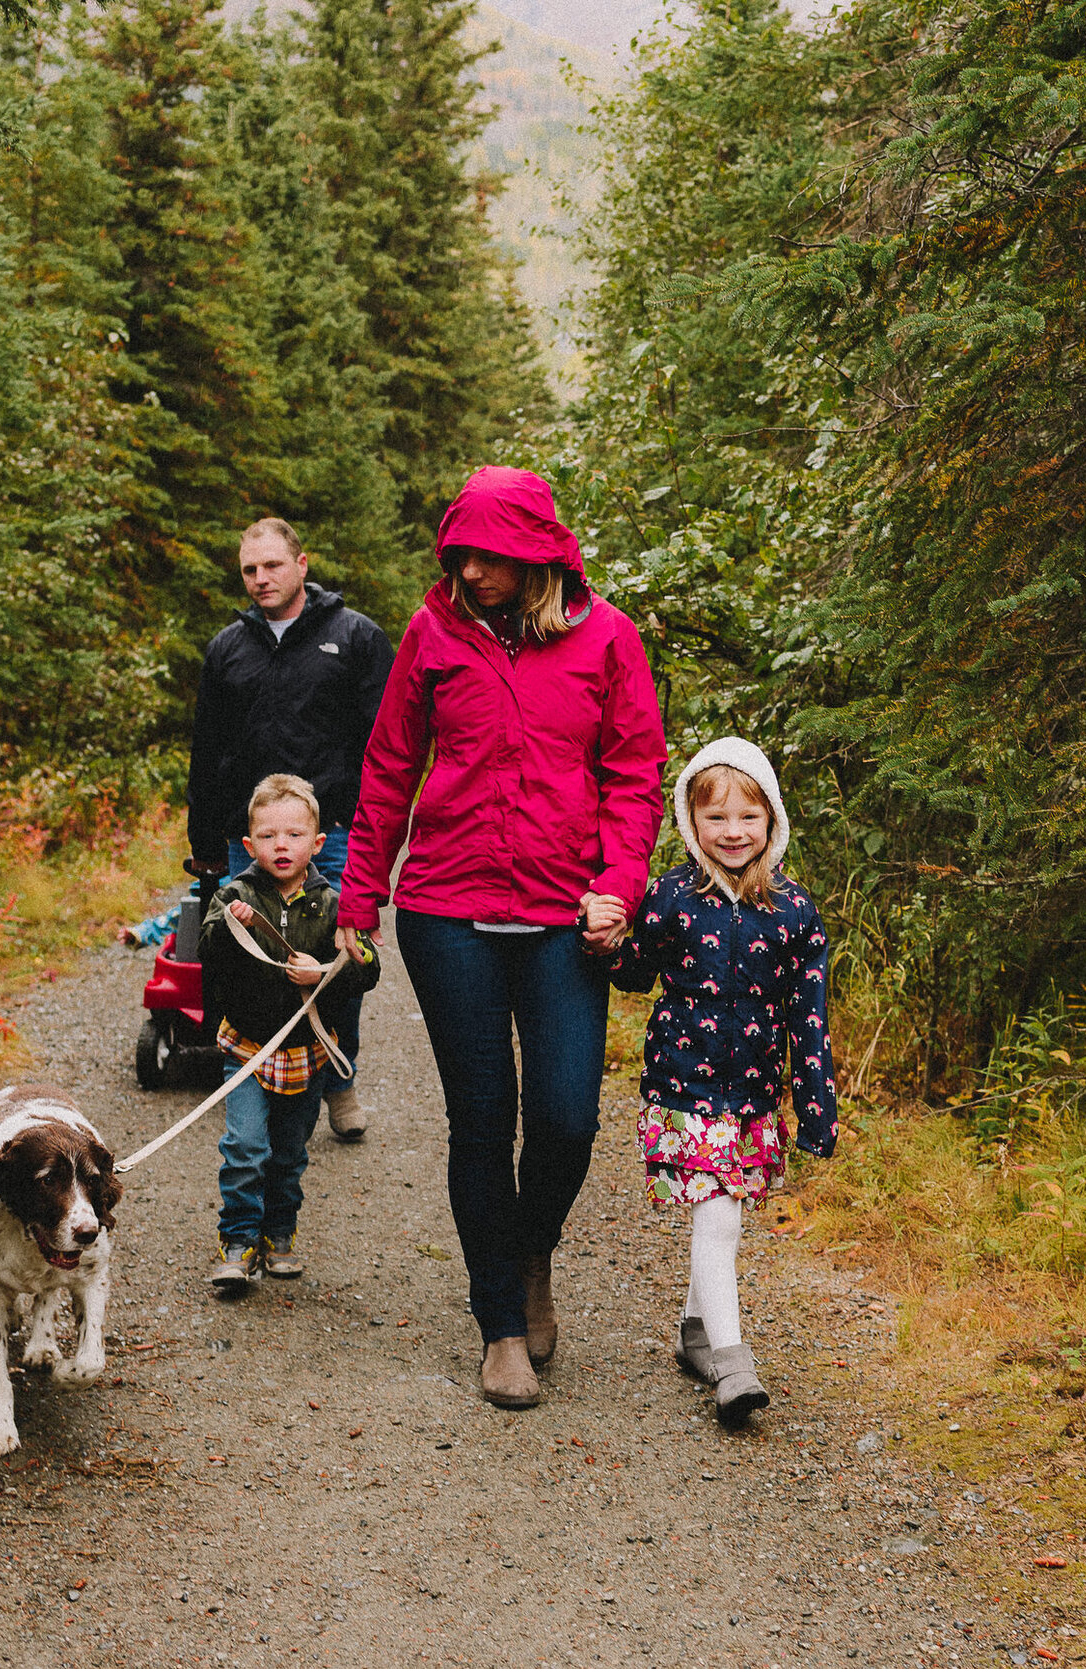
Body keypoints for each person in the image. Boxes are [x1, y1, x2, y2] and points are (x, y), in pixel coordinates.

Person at [334, 466, 668, 1409]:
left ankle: (532, 1250)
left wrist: (618, 884)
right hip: (448, 912)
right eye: (461, 554)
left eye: (490, 556)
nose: (472, 571)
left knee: (567, 1117)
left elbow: (636, 770)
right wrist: (360, 898)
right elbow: (392, 763)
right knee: (482, 1116)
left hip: (565, 913)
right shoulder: (433, 632)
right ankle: (500, 1326)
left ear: (538, 555)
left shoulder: (607, 640)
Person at [604, 738, 838, 1424]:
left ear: (772, 822)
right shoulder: (672, 896)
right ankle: (733, 1365)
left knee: (722, 1218)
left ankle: (695, 1332)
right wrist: (603, 941)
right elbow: (635, 971)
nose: (732, 832)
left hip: (755, 1094)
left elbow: (810, 1017)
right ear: (690, 822)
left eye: (748, 818)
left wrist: (817, 1106)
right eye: (716, 818)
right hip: (684, 1086)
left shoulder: (795, 912)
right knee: (719, 1217)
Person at [188, 518, 394, 1141]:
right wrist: (205, 844)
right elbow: (207, 750)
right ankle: (250, 1076)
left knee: (335, 962)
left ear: (302, 564)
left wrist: (375, 831)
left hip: (329, 838)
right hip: (243, 840)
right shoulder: (227, 649)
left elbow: (388, 747)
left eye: (272, 566)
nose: (261, 580)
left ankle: (338, 1078)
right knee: (244, 960)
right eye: (250, 570)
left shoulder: (355, 639)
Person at [198, 775, 377, 1292]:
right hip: (248, 1049)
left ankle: (278, 1233)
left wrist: (324, 971)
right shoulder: (234, 894)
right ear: (249, 845)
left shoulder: (334, 903)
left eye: (295, 836)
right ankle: (237, 1241)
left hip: (308, 1052)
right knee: (244, 1146)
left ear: (318, 844)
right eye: (270, 837)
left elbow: (367, 966)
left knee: (288, 1153)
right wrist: (232, 928)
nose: (282, 846)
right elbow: (207, 954)